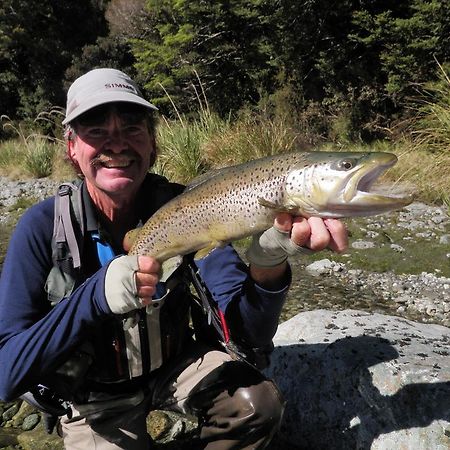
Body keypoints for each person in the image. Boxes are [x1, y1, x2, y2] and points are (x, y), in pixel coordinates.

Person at [0, 68, 348, 449]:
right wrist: (94, 297)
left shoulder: (192, 208)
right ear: (72, 148)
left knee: (256, 405)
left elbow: (247, 339)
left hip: (176, 367)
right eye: (96, 129)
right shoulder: (42, 227)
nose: (116, 144)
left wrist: (267, 266)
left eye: (132, 127)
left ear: (152, 143)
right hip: (94, 396)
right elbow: (6, 373)